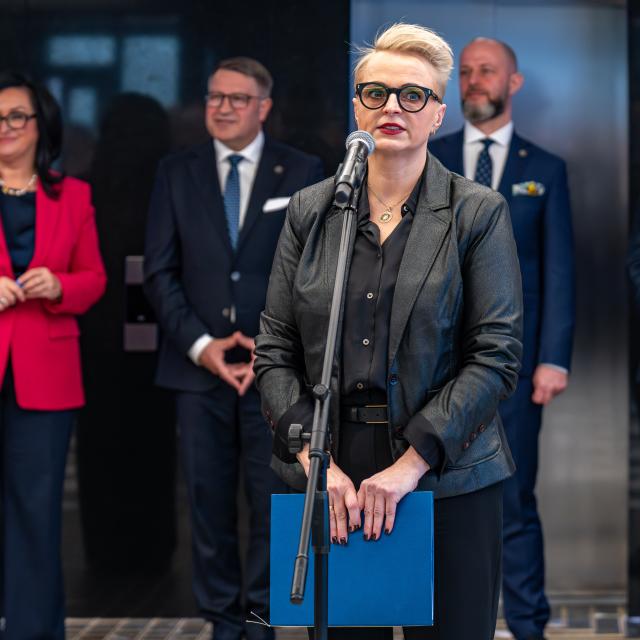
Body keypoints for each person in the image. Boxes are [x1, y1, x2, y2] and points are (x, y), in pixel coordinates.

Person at [254, 23, 523, 640]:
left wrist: (410, 465)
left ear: (438, 114)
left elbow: (496, 355)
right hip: (334, 475)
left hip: (447, 471)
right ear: (357, 107)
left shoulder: (477, 212)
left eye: (413, 95)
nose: (392, 107)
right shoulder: (312, 210)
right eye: (375, 93)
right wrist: (316, 462)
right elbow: (274, 350)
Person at [144, 57, 323, 640]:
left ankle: (260, 619)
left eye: (237, 98)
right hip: (197, 371)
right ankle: (222, 621)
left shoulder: (303, 170)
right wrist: (202, 345)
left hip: (278, 373)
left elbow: (314, 275)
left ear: (263, 107)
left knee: (273, 499)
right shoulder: (176, 171)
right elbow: (159, 272)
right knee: (207, 502)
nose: (222, 108)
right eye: (214, 97)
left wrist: (269, 348)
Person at [429, 37, 575, 640]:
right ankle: (444, 618)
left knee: (514, 497)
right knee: (432, 497)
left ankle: (525, 621)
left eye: (486, 71)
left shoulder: (545, 168)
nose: (473, 81)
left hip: (511, 364)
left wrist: (553, 359)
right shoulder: (430, 156)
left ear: (513, 82)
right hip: (431, 363)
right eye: (464, 72)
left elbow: (559, 270)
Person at [0, 71, 106, 639]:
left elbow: (94, 279)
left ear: (41, 125)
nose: (6, 127)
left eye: (17, 116)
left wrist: (61, 285)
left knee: (36, 516)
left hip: (45, 377)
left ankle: (33, 631)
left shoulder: (75, 195)